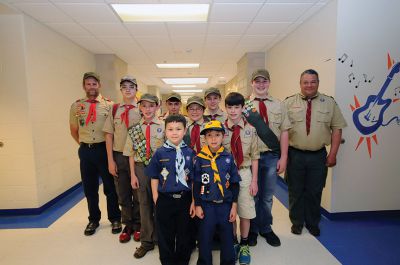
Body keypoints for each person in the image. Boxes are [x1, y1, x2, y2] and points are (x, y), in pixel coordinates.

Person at [283, 69, 347, 236]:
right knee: (295, 191)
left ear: (318, 83)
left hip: (318, 155)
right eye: (306, 82)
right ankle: (296, 222)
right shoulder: (289, 103)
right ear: (300, 84)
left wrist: (333, 154)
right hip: (294, 154)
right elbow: (281, 131)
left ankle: (312, 223)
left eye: (313, 81)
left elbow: (337, 129)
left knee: (315, 191)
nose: (309, 85)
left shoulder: (329, 103)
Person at [69, 72, 121, 236]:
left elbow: (113, 131)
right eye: (88, 84)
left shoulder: (109, 105)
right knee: (89, 188)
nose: (91, 87)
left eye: (94, 84)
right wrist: (85, 146)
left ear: (99, 85)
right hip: (86, 150)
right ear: (84, 86)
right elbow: (74, 130)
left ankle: (115, 218)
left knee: (110, 187)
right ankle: (93, 219)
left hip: (104, 150)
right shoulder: (76, 106)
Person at [248, 69, 291, 247]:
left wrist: (284, 157)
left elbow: (285, 132)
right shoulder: (244, 106)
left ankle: (265, 228)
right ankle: (251, 229)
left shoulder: (279, 105)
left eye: (264, 81)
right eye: (257, 81)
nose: (260, 84)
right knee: (252, 196)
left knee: (266, 196)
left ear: (269, 83)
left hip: (272, 156)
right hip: (250, 159)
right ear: (252, 83)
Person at [146, 114, 196, 265]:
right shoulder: (159, 153)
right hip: (165, 198)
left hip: (185, 198)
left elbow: (193, 179)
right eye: (171, 129)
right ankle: (167, 260)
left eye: (178, 129)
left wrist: (194, 200)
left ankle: (182, 259)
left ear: (185, 130)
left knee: (184, 231)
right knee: (165, 232)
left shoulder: (190, 152)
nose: (174, 132)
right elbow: (154, 176)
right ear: (165, 132)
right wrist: (155, 195)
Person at [123, 93, 165, 258]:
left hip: (161, 170)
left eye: (151, 105)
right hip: (141, 169)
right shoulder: (134, 129)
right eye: (144, 106)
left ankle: (161, 238)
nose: (147, 109)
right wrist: (133, 175)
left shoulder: (164, 126)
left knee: (160, 204)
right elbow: (130, 154)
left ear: (156, 107)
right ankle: (146, 241)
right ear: (139, 107)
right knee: (144, 204)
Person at [194, 120, 241, 265]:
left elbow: (234, 183)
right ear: (205, 138)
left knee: (227, 237)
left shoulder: (228, 158)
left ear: (223, 137)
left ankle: (228, 261)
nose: (213, 139)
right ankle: (204, 261)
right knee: (205, 237)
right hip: (207, 205)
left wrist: (234, 206)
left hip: (225, 205)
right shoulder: (200, 159)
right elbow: (196, 183)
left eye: (217, 135)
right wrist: (197, 205)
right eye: (209, 135)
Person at [103, 75, 141, 243]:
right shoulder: (115, 109)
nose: (127, 89)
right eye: (124, 86)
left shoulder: (142, 109)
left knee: (138, 192)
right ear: (121, 89)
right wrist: (110, 161)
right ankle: (128, 225)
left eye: (131, 86)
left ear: (136, 89)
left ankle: (139, 224)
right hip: (119, 156)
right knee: (123, 193)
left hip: (137, 156)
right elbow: (109, 135)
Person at [222, 92, 259, 265]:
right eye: (230, 107)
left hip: (244, 173)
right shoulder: (220, 129)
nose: (233, 111)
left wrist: (254, 181)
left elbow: (255, 157)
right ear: (225, 108)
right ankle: (234, 241)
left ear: (243, 108)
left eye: (237, 107)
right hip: (225, 175)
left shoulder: (251, 130)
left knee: (244, 210)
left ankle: (244, 244)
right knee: (230, 211)